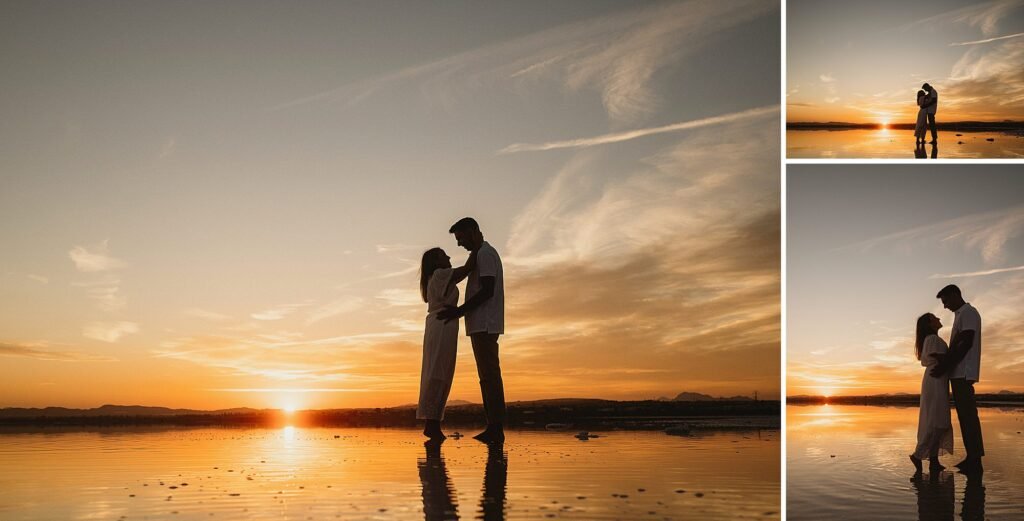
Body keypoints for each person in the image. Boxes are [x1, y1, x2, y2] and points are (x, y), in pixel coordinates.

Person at [437, 217, 506, 443]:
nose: (459, 244)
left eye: (460, 238)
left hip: (484, 323)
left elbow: (487, 290)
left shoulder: (485, 254)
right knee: (487, 377)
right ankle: (494, 426)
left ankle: (496, 428)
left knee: (489, 376)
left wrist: (459, 311)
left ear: (473, 231)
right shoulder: (480, 254)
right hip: (481, 324)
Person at [416, 247, 475, 440]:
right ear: (436, 261)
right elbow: (466, 269)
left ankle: (433, 423)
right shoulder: (440, 274)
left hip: (441, 324)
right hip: (442, 324)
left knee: (439, 370)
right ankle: (432, 424)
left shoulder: (435, 277)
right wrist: (476, 248)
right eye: (444, 255)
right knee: (438, 371)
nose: (449, 256)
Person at [930, 284, 984, 473]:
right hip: (958, 372)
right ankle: (973, 458)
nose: (945, 306)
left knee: (968, 417)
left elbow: (966, 342)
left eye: (945, 301)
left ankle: (975, 460)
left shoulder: (968, 312)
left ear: (954, 295)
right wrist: (944, 359)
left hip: (963, 372)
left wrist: (945, 364)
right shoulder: (960, 314)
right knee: (965, 417)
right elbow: (958, 344)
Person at [910, 313, 952, 473]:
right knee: (937, 419)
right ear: (929, 323)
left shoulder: (932, 339)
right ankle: (918, 455)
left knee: (938, 419)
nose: (939, 319)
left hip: (937, 379)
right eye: (935, 318)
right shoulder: (933, 339)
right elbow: (938, 358)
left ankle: (933, 459)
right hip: (935, 379)